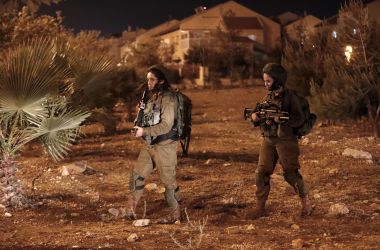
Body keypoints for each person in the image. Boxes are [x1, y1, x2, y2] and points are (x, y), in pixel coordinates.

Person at [249, 62, 313, 219]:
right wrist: (255, 118)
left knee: (290, 173)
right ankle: (260, 207)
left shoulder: (291, 98)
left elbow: (299, 119)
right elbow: (261, 114)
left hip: (286, 140)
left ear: (278, 80)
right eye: (264, 81)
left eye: (268, 81)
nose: (265, 84)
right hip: (269, 140)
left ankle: (306, 204)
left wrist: (282, 120)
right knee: (261, 173)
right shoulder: (268, 97)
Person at [125, 66, 181, 224]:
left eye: (152, 79)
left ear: (161, 81)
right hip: (150, 144)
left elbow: (166, 125)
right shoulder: (151, 98)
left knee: (168, 181)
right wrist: (140, 125)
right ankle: (130, 210)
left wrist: (143, 131)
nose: (148, 82)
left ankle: (176, 215)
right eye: (147, 79)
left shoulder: (169, 99)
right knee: (137, 176)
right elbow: (147, 121)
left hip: (165, 146)